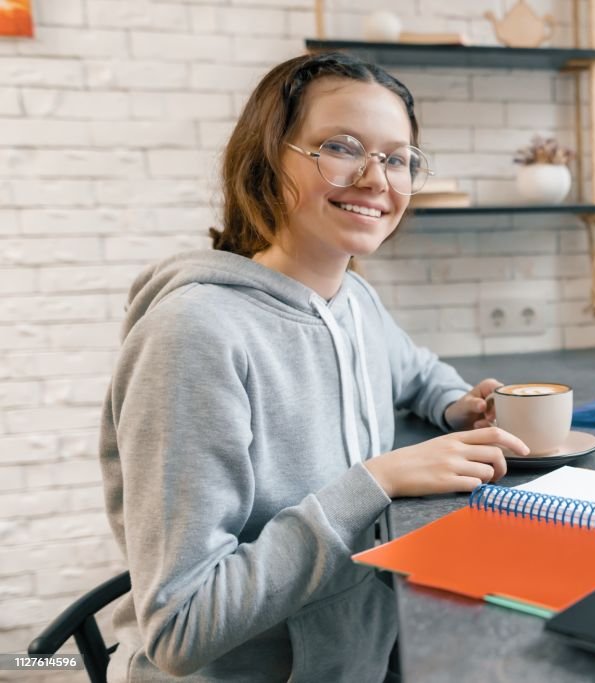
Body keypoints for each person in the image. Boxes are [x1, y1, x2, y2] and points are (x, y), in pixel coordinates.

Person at [98, 51, 529, 682]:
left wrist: (455, 401)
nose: (377, 178)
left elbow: (411, 368)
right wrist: (375, 483)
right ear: (269, 158)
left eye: (398, 157)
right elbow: (180, 626)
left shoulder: (352, 299)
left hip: (360, 659)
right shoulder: (193, 334)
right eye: (342, 146)